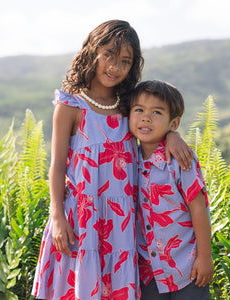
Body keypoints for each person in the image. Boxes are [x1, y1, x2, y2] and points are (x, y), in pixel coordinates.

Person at [32, 21, 193, 299]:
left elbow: (152, 124)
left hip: (123, 223)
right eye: (108, 54)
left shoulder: (128, 105)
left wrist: (172, 135)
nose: (114, 66)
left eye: (125, 61)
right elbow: (57, 165)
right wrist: (57, 217)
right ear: (92, 51)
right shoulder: (71, 105)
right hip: (81, 220)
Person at [129, 80, 213, 300]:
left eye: (156, 112)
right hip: (147, 273)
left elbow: (198, 207)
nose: (145, 117)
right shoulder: (127, 160)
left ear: (173, 123)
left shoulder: (180, 159)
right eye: (139, 110)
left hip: (186, 268)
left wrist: (205, 257)